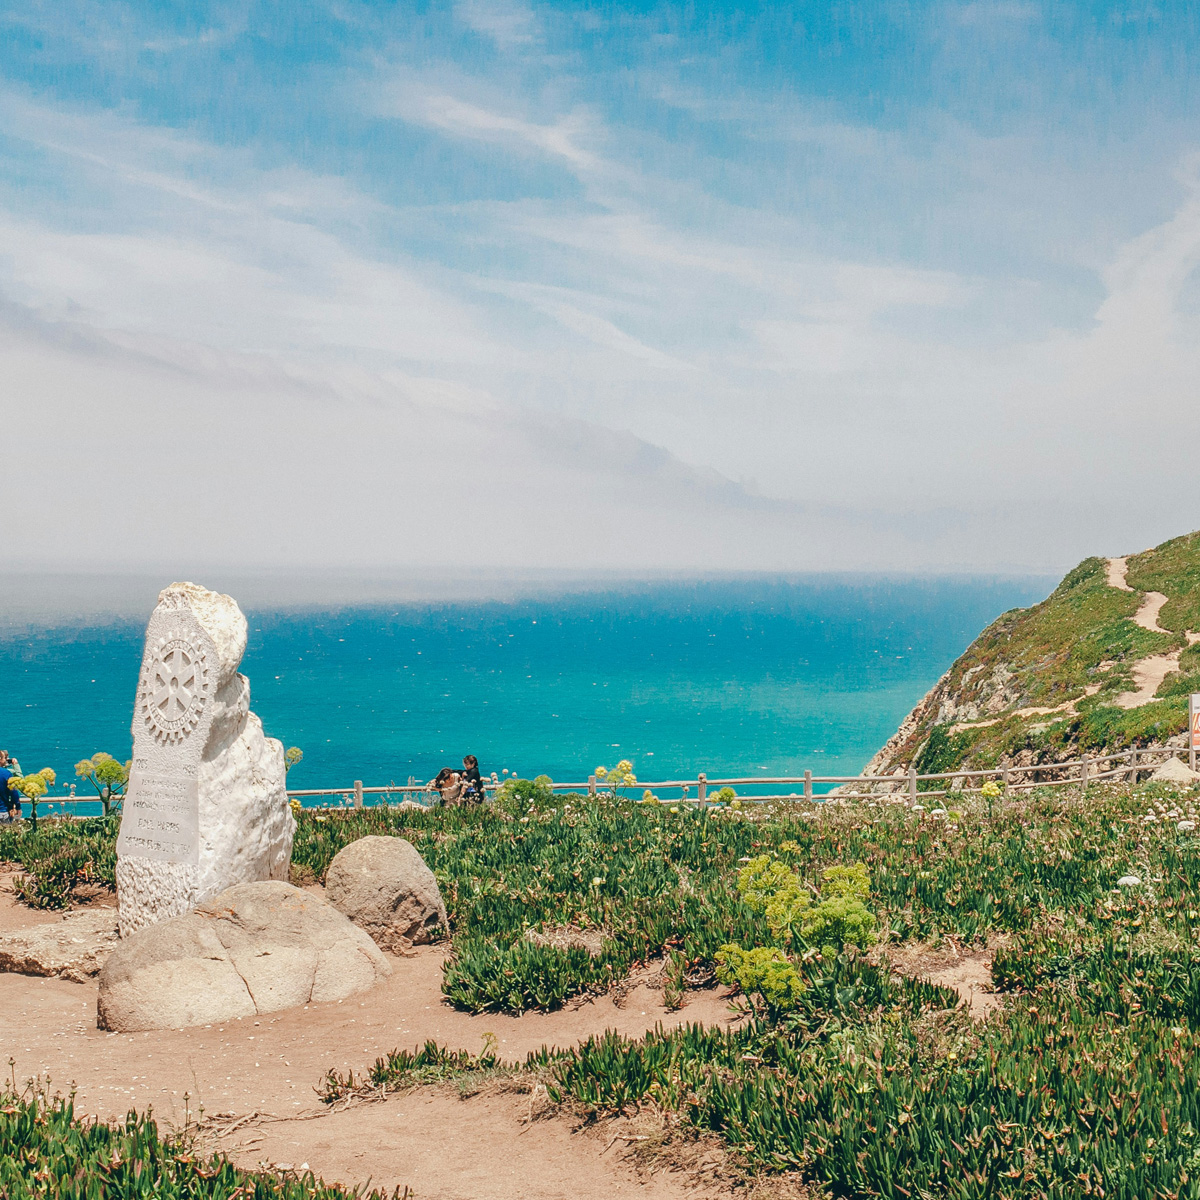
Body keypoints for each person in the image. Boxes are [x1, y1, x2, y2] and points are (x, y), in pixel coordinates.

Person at [0, 751, 19, 823]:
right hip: (2, 811)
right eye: (4, 758)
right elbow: (14, 792)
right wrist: (18, 807)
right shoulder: (6, 773)